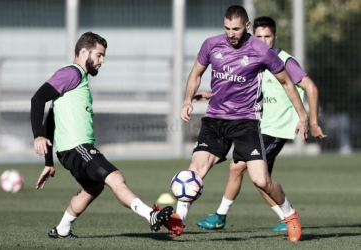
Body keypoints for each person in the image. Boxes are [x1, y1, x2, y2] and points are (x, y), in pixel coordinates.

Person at [162, 5, 309, 242]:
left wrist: (303, 116)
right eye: (227, 28)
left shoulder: (261, 51)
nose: (231, 33)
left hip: (246, 122)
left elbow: (288, 83)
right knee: (195, 170)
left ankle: (290, 215)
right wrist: (187, 100)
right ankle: (179, 221)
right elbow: (195, 74)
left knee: (261, 180)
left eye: (236, 29)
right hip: (215, 120)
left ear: (247, 26)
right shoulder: (211, 44)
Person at [30, 31, 173, 238]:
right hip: (77, 147)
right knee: (115, 177)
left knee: (94, 187)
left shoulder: (78, 81)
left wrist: (48, 162)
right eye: (99, 55)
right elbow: (37, 98)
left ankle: (62, 229)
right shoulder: (72, 73)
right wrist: (37, 136)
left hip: (72, 150)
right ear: (83, 52)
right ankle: (150, 214)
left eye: (103, 56)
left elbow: (51, 118)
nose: (102, 61)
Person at [195, 16, 327, 232]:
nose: (263, 41)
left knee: (240, 167)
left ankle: (221, 215)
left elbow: (311, 88)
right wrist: (211, 95)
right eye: (258, 37)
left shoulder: (284, 61)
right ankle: (285, 217)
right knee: (260, 179)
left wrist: (312, 121)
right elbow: (246, 90)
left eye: (267, 36)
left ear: (275, 37)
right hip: (257, 126)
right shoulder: (254, 58)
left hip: (276, 128)